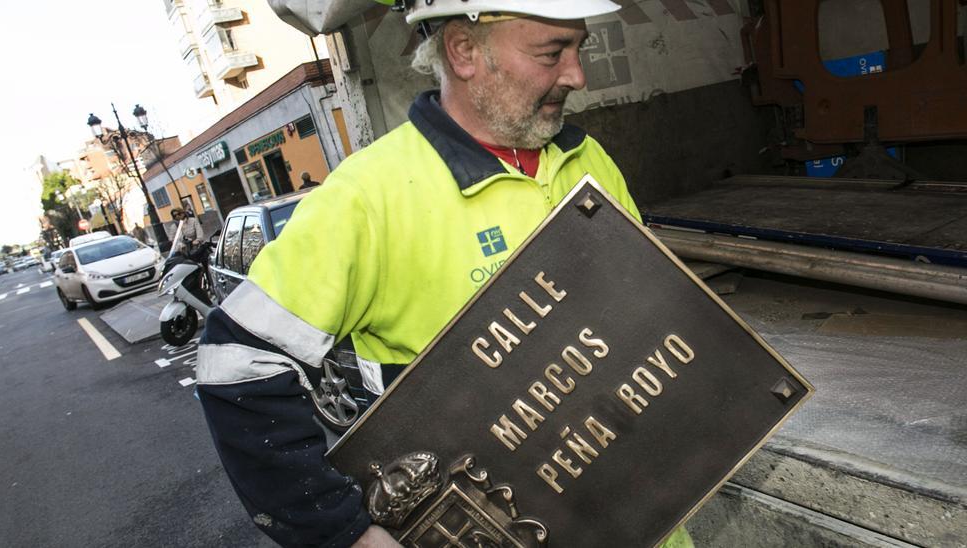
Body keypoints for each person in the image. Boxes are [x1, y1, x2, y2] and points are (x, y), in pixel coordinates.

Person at [196, 2, 691, 547]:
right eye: (553, 52)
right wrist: (345, 533)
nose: (577, 75)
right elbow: (236, 365)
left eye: (580, 48)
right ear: (464, 51)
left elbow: (650, 311)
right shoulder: (367, 198)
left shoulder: (588, 157)